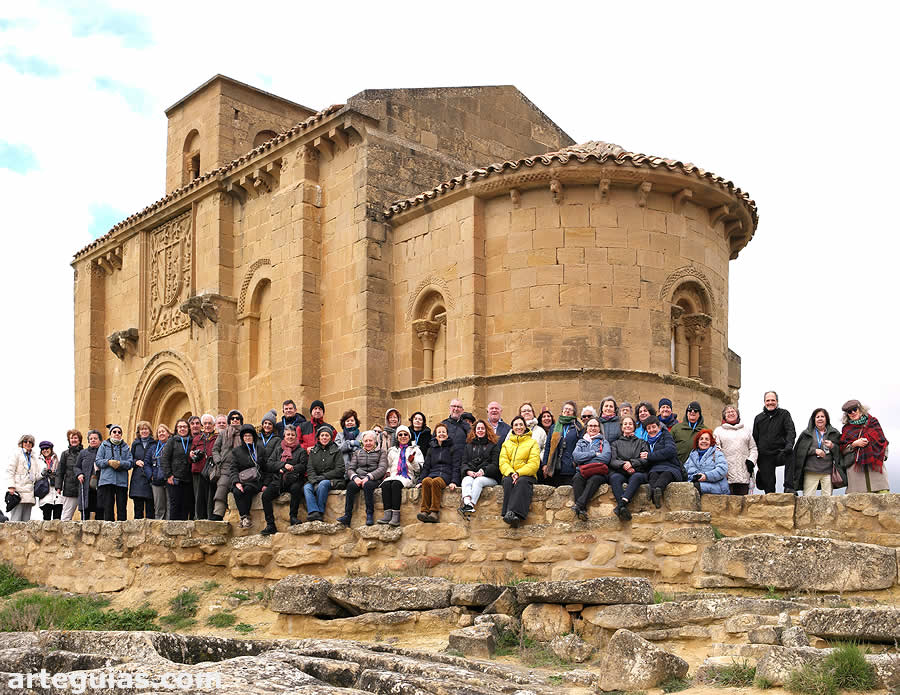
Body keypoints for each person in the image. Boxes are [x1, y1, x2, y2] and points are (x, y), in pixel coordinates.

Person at [261, 424, 307, 534]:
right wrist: (282, 465)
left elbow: (303, 466)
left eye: (292, 435)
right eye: (288, 435)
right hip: (279, 480)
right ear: (284, 436)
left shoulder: (301, 451)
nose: (290, 437)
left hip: (294, 479)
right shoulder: (278, 450)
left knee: (296, 489)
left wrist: (291, 468)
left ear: (296, 436)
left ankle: (293, 517)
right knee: (265, 496)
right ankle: (270, 524)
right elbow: (269, 464)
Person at [498, 416, 541, 528]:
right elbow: (503, 462)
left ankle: (509, 513)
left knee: (521, 482)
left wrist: (519, 473)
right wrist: (512, 473)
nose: (518, 427)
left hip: (527, 475)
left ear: (525, 426)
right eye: (516, 425)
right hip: (510, 474)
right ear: (512, 427)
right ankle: (514, 516)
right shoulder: (506, 444)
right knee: (507, 482)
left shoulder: (533, 443)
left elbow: (534, 463)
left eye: (521, 424)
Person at [839, 400, 889, 493]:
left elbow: (884, 441)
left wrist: (883, 457)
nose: (853, 412)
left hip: (876, 471)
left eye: (854, 409)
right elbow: (842, 449)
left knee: (883, 502)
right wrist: (854, 444)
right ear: (847, 414)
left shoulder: (873, 422)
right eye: (849, 411)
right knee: (857, 505)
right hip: (856, 476)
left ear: (860, 409)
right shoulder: (846, 429)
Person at [339, 430, 388, 526]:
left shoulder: (381, 452)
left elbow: (382, 468)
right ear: (363, 442)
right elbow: (350, 468)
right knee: (350, 486)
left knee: (368, 486)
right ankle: (347, 516)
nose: (368, 443)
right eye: (366, 441)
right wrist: (355, 477)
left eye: (370, 441)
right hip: (359, 478)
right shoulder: (357, 452)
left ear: (375, 441)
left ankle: (369, 514)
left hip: (374, 479)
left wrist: (369, 477)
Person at [752, 392, 797, 494]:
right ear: (764, 402)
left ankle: (789, 487)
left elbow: (791, 431)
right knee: (769, 491)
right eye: (768, 400)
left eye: (773, 400)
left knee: (791, 454)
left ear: (777, 402)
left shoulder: (784, 414)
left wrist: (789, 446)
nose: (770, 403)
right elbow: (755, 439)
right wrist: (757, 461)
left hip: (780, 452)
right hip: (765, 456)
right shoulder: (758, 418)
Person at [379, 425, 423, 526]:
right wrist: (388, 472)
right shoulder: (392, 450)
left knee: (395, 485)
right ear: (397, 437)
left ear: (409, 436)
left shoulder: (415, 450)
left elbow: (419, 469)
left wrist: (413, 461)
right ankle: (387, 514)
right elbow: (389, 465)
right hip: (394, 475)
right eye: (400, 435)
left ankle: (395, 515)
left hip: (407, 476)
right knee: (385, 485)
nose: (403, 436)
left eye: (405, 434)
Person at [793, 408, 842, 496]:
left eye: (822, 416)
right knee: (808, 499)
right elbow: (798, 451)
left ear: (826, 419)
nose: (820, 419)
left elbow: (841, 451)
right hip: (811, 471)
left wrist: (832, 446)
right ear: (813, 419)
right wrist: (814, 451)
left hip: (828, 472)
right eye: (817, 417)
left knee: (828, 501)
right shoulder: (806, 433)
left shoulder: (834, 433)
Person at [416, 423, 459, 523]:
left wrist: (454, 481)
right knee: (426, 481)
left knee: (436, 482)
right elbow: (426, 467)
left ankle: (434, 512)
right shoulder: (431, 449)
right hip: (433, 473)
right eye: (439, 432)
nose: (441, 434)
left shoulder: (453, 448)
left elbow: (456, 466)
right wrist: (420, 480)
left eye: (443, 432)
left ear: (447, 434)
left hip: (446, 475)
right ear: (436, 435)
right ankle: (424, 511)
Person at [608, 415, 649, 520]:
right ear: (622, 427)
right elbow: (613, 460)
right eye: (625, 424)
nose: (628, 426)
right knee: (614, 478)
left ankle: (621, 505)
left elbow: (645, 459)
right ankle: (622, 508)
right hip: (620, 472)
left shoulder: (642, 443)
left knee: (637, 477)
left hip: (637, 471)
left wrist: (632, 463)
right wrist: (624, 465)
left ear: (634, 427)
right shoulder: (615, 443)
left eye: (630, 424)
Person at [571, 417, 611, 520]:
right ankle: (582, 510)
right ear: (587, 428)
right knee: (577, 479)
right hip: (583, 471)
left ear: (599, 428)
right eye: (590, 426)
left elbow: (605, 458)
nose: (593, 428)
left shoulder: (604, 442)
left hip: (598, 472)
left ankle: (579, 506)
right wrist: (593, 454)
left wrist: (585, 460)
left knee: (594, 480)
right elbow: (576, 456)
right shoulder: (581, 442)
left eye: (595, 426)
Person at [458, 419, 500, 516]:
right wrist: (468, 471)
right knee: (466, 480)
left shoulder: (493, 446)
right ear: (474, 431)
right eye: (478, 428)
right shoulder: (469, 446)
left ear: (486, 430)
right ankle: (467, 502)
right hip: (472, 474)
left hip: (489, 477)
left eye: (482, 428)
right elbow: (463, 462)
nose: (480, 430)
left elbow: (495, 464)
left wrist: (483, 471)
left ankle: (471, 504)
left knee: (478, 481)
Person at [713, 405, 758, 495]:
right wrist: (720, 466)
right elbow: (716, 450)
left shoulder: (746, 430)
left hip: (744, 472)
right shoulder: (718, 431)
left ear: (737, 414)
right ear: (724, 416)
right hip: (727, 473)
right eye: (728, 412)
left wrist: (751, 461)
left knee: (743, 503)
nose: (730, 413)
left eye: (733, 411)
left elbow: (753, 448)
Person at [304, 425, 345, 522]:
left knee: (323, 484)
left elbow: (340, 469)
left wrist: (323, 477)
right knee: (307, 487)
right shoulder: (313, 451)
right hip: (316, 479)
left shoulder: (336, 451)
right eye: (322, 435)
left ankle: (320, 512)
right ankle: (314, 512)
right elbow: (310, 468)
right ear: (318, 437)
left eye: (327, 435)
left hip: (333, 480)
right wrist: (314, 480)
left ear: (330, 437)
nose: (324, 437)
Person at [642, 416, 684, 508]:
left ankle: (657, 490)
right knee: (653, 475)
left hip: (671, 467)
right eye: (648, 428)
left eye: (653, 427)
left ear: (659, 427)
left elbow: (670, 451)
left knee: (666, 475)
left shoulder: (666, 436)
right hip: (655, 468)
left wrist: (650, 456)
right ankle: (654, 494)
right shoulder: (646, 443)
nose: (651, 430)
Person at [95, 425, 133, 521]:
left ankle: (123, 530)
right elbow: (98, 461)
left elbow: (130, 463)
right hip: (107, 481)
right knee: (108, 507)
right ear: (110, 434)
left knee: (122, 508)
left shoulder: (126, 447)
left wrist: (120, 464)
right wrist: (108, 462)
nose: (117, 434)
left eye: (119, 432)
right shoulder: (103, 445)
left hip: (121, 482)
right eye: (114, 432)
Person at [211, 410, 244, 520]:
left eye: (237, 418)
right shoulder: (223, 433)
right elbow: (215, 449)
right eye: (232, 418)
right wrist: (218, 460)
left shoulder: (245, 433)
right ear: (229, 420)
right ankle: (217, 514)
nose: (235, 420)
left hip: (240, 468)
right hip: (225, 466)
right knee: (222, 487)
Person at [542, 401, 584, 486]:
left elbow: (581, 446)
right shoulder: (554, 427)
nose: (567, 411)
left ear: (574, 413)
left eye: (570, 410)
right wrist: (545, 464)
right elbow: (548, 447)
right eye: (565, 409)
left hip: (570, 467)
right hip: (555, 467)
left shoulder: (579, 427)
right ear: (562, 411)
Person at [230, 424, 264, 528]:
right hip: (241, 479)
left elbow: (265, 466)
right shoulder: (236, 451)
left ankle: (245, 518)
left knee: (248, 489)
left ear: (253, 436)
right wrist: (236, 482)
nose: (248, 438)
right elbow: (233, 468)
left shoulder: (260, 449)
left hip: (255, 480)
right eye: (245, 436)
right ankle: (244, 517)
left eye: (250, 435)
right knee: (237, 491)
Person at [161, 419, 192, 521]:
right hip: (174, 479)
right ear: (176, 429)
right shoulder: (172, 441)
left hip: (188, 479)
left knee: (186, 505)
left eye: (184, 427)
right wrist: (168, 475)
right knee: (175, 505)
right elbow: (164, 458)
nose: (182, 429)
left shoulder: (192, 441)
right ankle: (173, 531)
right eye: (180, 427)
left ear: (188, 429)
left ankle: (183, 532)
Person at [7, 434, 43, 521]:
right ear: (21, 443)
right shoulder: (16, 454)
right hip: (18, 491)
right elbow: (10, 471)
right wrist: (11, 486)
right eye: (25, 441)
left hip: (29, 492)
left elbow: (36, 476)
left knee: (26, 521)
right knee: (16, 520)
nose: (28, 443)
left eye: (30, 442)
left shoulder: (34, 458)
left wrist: (43, 474)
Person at [685, 429, 729, 495]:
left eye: (707, 439)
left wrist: (706, 476)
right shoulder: (692, 455)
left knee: (693, 488)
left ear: (711, 442)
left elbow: (722, 470)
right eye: (701, 439)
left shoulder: (717, 454)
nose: (704, 441)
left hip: (716, 487)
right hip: (695, 485)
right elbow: (684, 471)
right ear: (697, 441)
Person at [190, 414, 217, 519]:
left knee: (210, 496)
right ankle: (199, 518)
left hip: (211, 471)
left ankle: (210, 517)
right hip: (198, 470)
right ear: (202, 425)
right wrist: (191, 454)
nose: (207, 425)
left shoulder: (217, 438)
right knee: (198, 497)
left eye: (209, 423)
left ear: (213, 425)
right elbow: (191, 455)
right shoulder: (197, 439)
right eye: (205, 423)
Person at [129, 421, 156, 519]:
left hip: (150, 477)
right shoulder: (135, 444)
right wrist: (135, 461)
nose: (144, 431)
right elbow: (129, 459)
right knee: (138, 508)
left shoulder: (154, 443)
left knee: (150, 508)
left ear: (150, 431)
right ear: (139, 432)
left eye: (146, 429)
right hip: (138, 478)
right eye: (142, 429)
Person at [56, 429, 84, 521]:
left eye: (75, 438)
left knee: (85, 515)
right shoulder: (65, 454)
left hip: (82, 487)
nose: (74, 440)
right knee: (66, 515)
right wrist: (58, 486)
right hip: (69, 488)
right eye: (71, 438)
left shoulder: (84, 453)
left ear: (79, 440)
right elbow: (60, 471)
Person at [75, 430, 102, 520]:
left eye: (95, 438)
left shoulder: (103, 452)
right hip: (86, 485)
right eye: (91, 439)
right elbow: (77, 466)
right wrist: (79, 474)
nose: (93, 440)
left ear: (100, 440)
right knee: (85, 510)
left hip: (100, 484)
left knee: (100, 508)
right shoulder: (83, 453)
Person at [37, 441, 63, 520]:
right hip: (45, 493)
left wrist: (55, 473)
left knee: (57, 519)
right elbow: (34, 476)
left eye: (47, 448)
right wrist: (42, 474)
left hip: (57, 494)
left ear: (51, 449)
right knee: (46, 519)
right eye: (43, 449)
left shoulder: (57, 460)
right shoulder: (38, 461)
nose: (45, 450)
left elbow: (62, 474)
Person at [148, 425, 170, 519]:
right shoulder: (153, 448)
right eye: (159, 432)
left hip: (170, 479)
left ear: (168, 433)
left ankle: (169, 527)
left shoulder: (172, 445)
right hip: (156, 480)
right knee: (159, 506)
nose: (161, 433)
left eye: (163, 431)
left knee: (169, 506)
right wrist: (151, 476)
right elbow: (146, 463)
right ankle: (159, 527)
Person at [441, 399, 470, 469]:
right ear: (450, 408)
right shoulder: (442, 424)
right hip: (445, 462)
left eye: (459, 407)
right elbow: (434, 442)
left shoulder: (467, 426)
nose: (456, 409)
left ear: (462, 410)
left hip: (461, 463)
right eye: (454, 406)